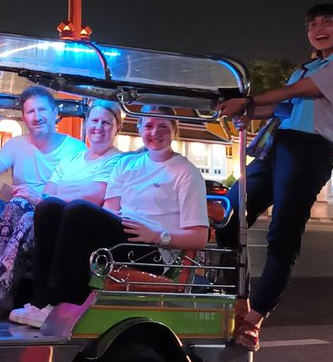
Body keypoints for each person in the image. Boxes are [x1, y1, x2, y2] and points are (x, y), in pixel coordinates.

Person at [215, 3, 333, 351]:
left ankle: (254, 321)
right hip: (277, 144)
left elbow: (299, 94)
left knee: (282, 233)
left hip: (308, 149)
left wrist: (249, 100)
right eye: (312, 24)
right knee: (227, 213)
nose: (318, 28)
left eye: (327, 21)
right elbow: (283, 107)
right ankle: (232, 299)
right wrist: (243, 108)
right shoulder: (306, 68)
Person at [11, 110, 209, 328]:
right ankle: (39, 302)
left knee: (77, 210)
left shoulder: (185, 172)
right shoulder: (127, 164)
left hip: (154, 249)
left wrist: (157, 235)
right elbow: (111, 210)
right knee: (49, 207)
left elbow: (199, 237)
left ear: (175, 130)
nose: (155, 132)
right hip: (124, 234)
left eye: (163, 126)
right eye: (149, 126)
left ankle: (62, 304)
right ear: (140, 128)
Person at [0, 99, 125, 320]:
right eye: (95, 121)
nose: (99, 127)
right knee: (18, 205)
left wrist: (46, 198)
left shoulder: (117, 161)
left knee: (29, 217)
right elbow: (49, 190)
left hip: (78, 229)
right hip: (52, 220)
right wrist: (46, 197)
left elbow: (94, 195)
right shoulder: (71, 159)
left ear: (117, 128)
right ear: (87, 124)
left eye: (106, 123)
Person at [0, 85, 85, 266]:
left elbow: (79, 199)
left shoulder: (76, 149)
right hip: (13, 211)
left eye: (42, 110)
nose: (37, 117)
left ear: (54, 113)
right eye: (30, 112)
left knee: (20, 215)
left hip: (47, 220)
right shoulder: (15, 144)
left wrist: (37, 200)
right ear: (24, 118)